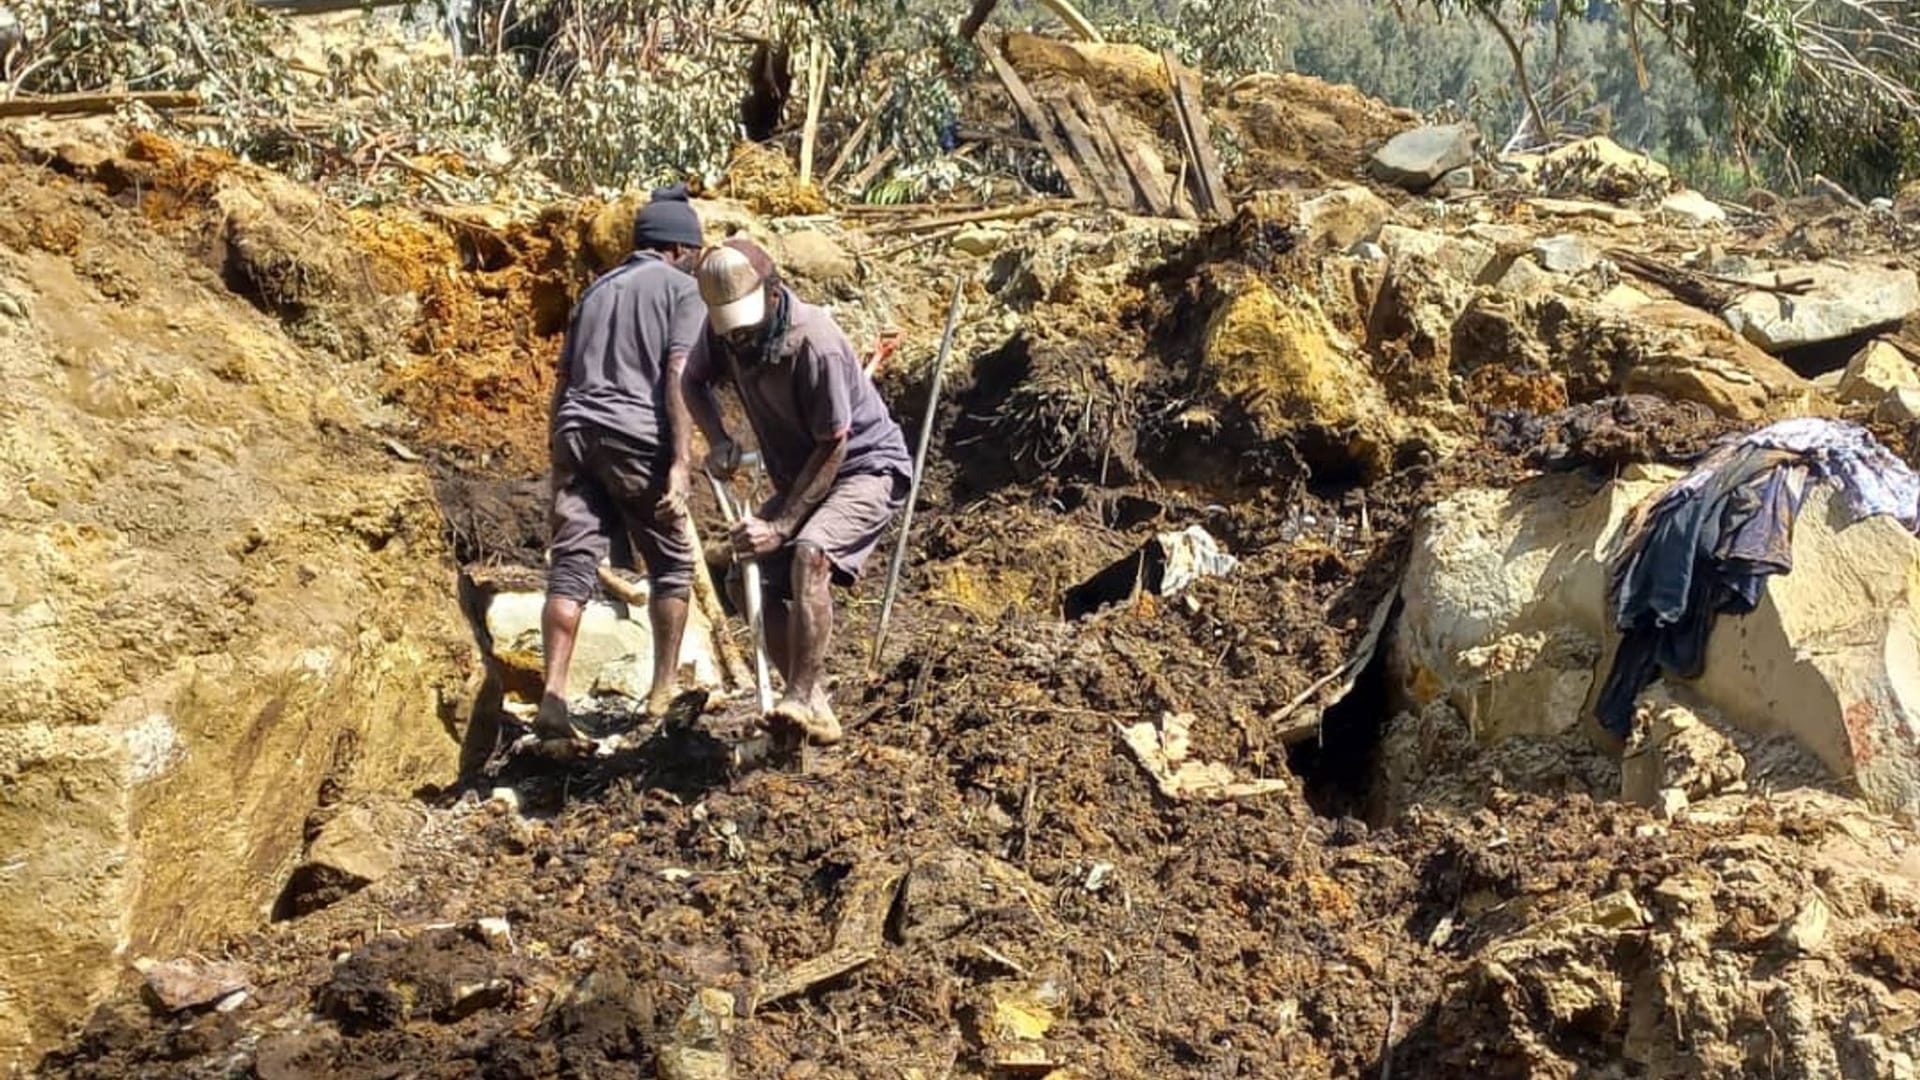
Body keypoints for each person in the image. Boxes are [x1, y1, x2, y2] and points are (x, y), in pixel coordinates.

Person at [686, 238, 912, 745]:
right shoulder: (726, 331)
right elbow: (691, 381)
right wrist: (719, 438)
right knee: (745, 580)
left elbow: (834, 445)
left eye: (746, 326)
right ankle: (812, 707)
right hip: (801, 476)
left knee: (809, 554)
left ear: (773, 291)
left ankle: (801, 695)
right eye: (731, 330)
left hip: (864, 468)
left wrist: (783, 526)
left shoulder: (816, 342)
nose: (739, 340)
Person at [536, 185, 706, 741]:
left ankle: (554, 697)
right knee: (672, 562)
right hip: (636, 435)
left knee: (571, 565)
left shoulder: (595, 291)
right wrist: (681, 461)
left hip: (576, 432)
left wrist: (559, 459)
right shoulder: (683, 291)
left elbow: (562, 383)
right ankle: (661, 694)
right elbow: (678, 372)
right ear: (680, 249)